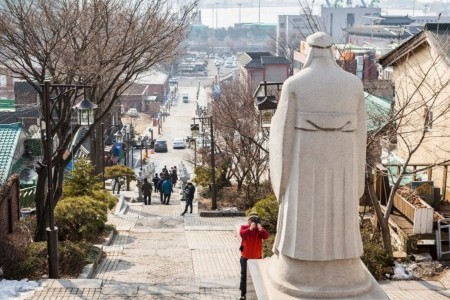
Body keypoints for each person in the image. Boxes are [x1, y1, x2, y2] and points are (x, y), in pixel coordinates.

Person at [239, 214, 269, 300]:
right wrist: (250, 228)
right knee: (244, 276)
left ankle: (256, 294)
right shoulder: (244, 227)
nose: (252, 222)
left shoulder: (260, 231)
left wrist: (260, 228)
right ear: (249, 221)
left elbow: (266, 236)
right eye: (251, 220)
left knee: (257, 277)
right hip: (245, 258)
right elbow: (242, 234)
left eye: (255, 221)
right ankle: (243, 294)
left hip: (257, 259)